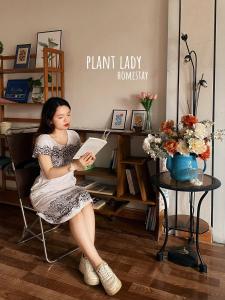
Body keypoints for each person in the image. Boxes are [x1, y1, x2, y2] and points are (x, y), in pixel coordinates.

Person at [30, 97, 122, 296]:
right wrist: (74, 165)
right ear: (49, 119)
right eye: (60, 116)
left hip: (68, 188)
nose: (66, 119)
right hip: (47, 192)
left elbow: (79, 166)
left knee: (86, 203)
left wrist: (86, 162)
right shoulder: (43, 140)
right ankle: (99, 265)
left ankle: (86, 260)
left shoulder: (73, 136)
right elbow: (49, 173)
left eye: (68, 115)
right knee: (77, 211)